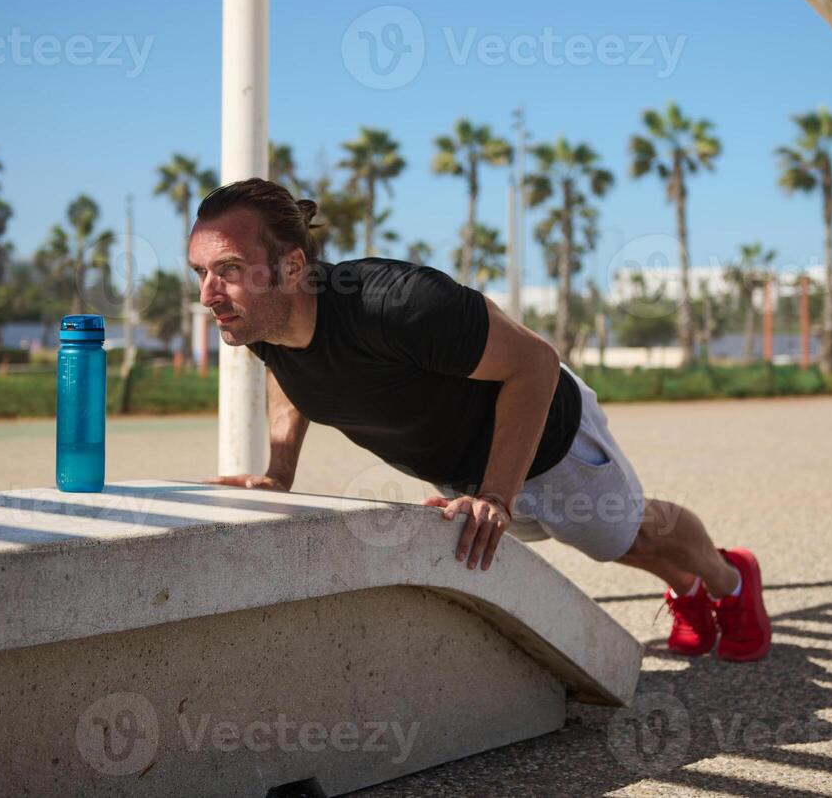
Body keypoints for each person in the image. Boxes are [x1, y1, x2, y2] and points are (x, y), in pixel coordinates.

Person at [197, 178, 770, 662]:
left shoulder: (394, 304)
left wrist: (498, 494)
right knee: (600, 541)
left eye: (229, 268)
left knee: (627, 533)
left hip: (547, 439)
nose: (208, 294)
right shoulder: (263, 326)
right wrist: (279, 472)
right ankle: (687, 586)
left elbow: (536, 362)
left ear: (293, 266)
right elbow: (291, 380)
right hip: (461, 477)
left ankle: (730, 580)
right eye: (200, 271)